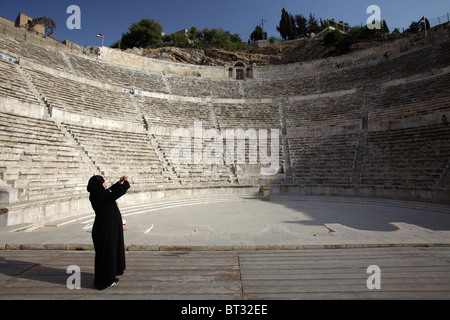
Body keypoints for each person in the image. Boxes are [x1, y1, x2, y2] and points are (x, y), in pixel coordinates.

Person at [87, 175, 130, 290]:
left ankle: (104, 278)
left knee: (106, 255)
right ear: (100, 184)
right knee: (107, 255)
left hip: (105, 228)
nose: (105, 184)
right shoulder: (99, 195)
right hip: (105, 230)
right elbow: (115, 193)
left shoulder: (97, 194)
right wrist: (125, 184)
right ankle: (106, 281)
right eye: (103, 182)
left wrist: (119, 183)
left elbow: (109, 191)